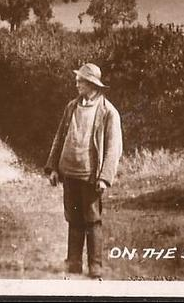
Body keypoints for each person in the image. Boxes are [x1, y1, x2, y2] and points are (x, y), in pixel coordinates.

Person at [45, 63, 123, 279]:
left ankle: (95, 265)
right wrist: (53, 168)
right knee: (73, 217)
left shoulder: (108, 112)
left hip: (91, 176)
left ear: (92, 84)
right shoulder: (71, 107)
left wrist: (105, 178)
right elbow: (59, 138)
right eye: (78, 80)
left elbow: (113, 148)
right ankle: (74, 262)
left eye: (80, 80)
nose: (76, 83)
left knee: (92, 219)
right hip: (70, 172)